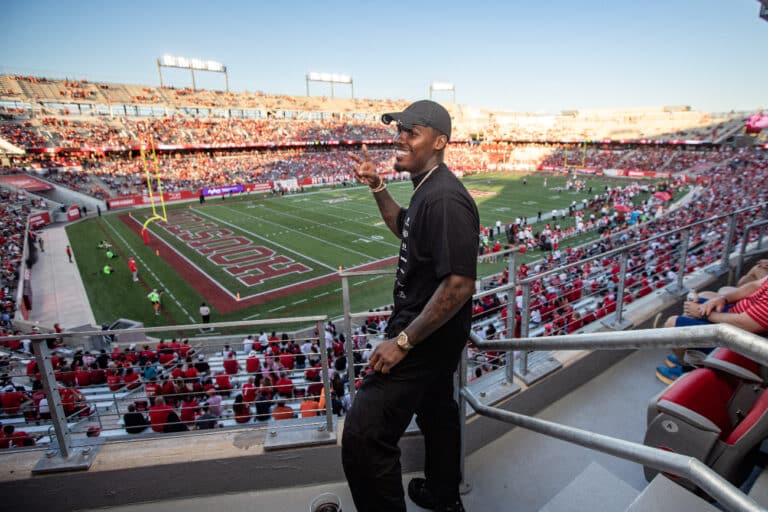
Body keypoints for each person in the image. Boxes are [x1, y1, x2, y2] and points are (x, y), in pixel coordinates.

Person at [342, 100, 478, 512]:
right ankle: (443, 495)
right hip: (428, 332)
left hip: (423, 338)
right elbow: (401, 226)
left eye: (412, 132)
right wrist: (377, 186)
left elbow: (459, 284)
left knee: (364, 436)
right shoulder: (426, 190)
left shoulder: (444, 199)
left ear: (439, 142)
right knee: (437, 411)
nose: (400, 139)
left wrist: (403, 342)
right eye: (399, 131)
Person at [655, 275, 768, 384]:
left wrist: (702, 314)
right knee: (703, 296)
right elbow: (755, 285)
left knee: (672, 325)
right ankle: (686, 351)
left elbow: (745, 324)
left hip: (740, 338)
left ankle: (687, 369)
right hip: (737, 314)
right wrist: (723, 299)